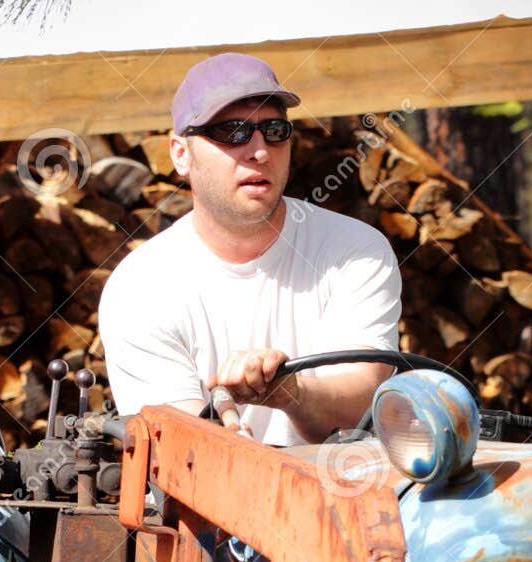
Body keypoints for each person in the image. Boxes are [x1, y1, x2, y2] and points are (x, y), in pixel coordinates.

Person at [98, 52, 403, 446]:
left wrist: (290, 394)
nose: (259, 150)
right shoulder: (140, 286)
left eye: (274, 130)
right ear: (180, 154)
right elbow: (180, 454)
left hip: (340, 498)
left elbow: (361, 410)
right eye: (232, 131)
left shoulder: (354, 252)